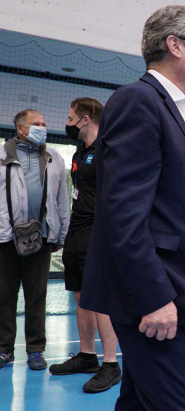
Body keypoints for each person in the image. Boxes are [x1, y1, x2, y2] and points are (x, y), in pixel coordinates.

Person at [79, 5, 185, 410]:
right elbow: (123, 214)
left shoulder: (170, 107)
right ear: (175, 45)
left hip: (167, 293)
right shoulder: (139, 101)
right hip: (156, 299)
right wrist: (154, 297)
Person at [48, 97, 121, 393]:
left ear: (86, 118)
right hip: (77, 230)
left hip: (98, 231)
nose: (67, 123)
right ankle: (87, 356)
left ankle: (111, 364)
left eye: (70, 117)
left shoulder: (109, 150)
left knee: (101, 298)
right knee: (81, 298)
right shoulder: (81, 151)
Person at [0, 109, 69, 370]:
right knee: (3, 296)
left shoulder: (54, 157)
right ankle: (4, 349)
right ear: (20, 128)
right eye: (36, 124)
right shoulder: (2, 156)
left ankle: (36, 350)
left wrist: (60, 233)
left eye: (44, 123)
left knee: (36, 296)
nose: (43, 127)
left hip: (40, 239)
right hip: (5, 238)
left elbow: (62, 198)